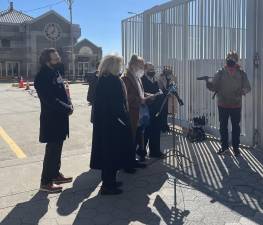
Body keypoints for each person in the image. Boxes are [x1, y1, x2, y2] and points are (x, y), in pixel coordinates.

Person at [90, 54, 135, 195]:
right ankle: (108, 186)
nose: (121, 68)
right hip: (112, 124)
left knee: (109, 154)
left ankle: (110, 181)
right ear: (113, 66)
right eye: (119, 65)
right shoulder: (111, 81)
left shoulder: (104, 79)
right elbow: (116, 105)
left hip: (106, 123)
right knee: (110, 154)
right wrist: (124, 119)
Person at [34, 48, 74, 193]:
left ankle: (55, 174)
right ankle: (46, 182)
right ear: (47, 61)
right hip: (51, 119)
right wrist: (66, 108)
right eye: (55, 59)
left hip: (60, 118)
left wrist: (69, 104)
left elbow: (63, 92)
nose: (59, 60)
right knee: (52, 150)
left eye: (58, 57)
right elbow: (49, 99)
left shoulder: (55, 72)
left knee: (57, 148)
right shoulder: (42, 76)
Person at [206, 51, 251, 156]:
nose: (231, 59)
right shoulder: (220, 72)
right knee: (223, 127)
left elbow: (248, 87)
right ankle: (224, 147)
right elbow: (214, 87)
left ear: (237, 59)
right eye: (229, 57)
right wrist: (208, 84)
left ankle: (236, 149)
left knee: (236, 127)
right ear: (226, 59)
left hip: (236, 105)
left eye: (233, 58)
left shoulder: (241, 73)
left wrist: (241, 91)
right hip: (223, 104)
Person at [121, 55, 154, 169]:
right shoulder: (125, 78)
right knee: (130, 140)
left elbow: (139, 93)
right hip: (132, 113)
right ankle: (127, 164)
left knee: (136, 139)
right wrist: (139, 99)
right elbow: (125, 96)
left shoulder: (137, 77)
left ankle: (133, 161)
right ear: (133, 65)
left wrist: (148, 96)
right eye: (141, 65)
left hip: (139, 114)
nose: (143, 68)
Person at [140, 62, 165, 159]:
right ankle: (142, 153)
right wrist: (150, 96)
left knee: (155, 131)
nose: (152, 71)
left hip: (156, 109)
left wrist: (160, 92)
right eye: (150, 69)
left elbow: (158, 90)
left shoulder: (155, 79)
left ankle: (155, 151)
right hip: (147, 110)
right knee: (146, 132)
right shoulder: (141, 80)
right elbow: (141, 93)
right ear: (145, 70)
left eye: (153, 69)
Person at [158, 66, 174, 132]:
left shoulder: (172, 78)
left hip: (169, 98)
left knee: (166, 112)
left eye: (170, 73)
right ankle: (162, 126)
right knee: (162, 112)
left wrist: (171, 91)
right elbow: (159, 87)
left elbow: (174, 86)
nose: (169, 74)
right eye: (168, 72)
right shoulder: (161, 78)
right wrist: (165, 91)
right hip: (162, 98)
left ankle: (165, 125)